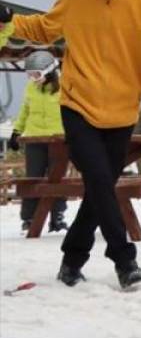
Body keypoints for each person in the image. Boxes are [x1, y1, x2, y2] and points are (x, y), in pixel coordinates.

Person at [0, 0, 141, 289]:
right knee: (99, 180)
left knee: (100, 188)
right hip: (78, 106)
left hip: (122, 112)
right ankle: (124, 259)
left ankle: (72, 260)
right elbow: (43, 27)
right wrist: (8, 19)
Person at [7, 50, 67, 233]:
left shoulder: (64, 87)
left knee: (57, 180)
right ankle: (29, 218)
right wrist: (16, 132)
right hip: (34, 138)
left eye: (37, 74)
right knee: (33, 179)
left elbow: (73, 112)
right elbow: (25, 110)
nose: (33, 78)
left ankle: (57, 218)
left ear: (49, 71)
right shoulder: (31, 88)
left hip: (58, 140)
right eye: (30, 75)